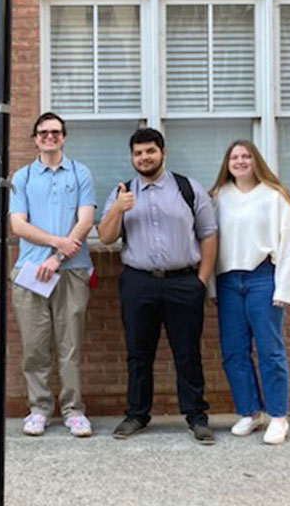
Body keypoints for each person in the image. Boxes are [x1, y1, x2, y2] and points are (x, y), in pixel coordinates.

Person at [98, 128, 218, 445]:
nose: (144, 157)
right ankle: (137, 414)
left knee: (187, 353)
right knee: (138, 353)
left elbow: (208, 234)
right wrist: (116, 209)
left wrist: (201, 280)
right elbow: (107, 237)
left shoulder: (188, 189)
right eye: (138, 153)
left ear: (163, 153)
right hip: (138, 281)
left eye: (150, 151)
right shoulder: (123, 192)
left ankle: (196, 417)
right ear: (132, 157)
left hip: (183, 281)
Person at [9, 113, 96, 437]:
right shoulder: (24, 177)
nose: (49, 137)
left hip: (71, 271)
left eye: (55, 132)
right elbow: (18, 224)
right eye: (43, 132)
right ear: (34, 138)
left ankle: (74, 411)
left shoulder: (79, 173)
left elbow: (85, 221)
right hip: (30, 272)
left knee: (70, 345)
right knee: (34, 346)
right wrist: (55, 242)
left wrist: (59, 256)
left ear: (64, 137)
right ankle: (40, 408)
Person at [210, 140, 290, 445]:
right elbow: (208, 243)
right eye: (234, 156)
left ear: (255, 160)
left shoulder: (274, 197)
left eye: (246, 156)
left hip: (263, 278)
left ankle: (278, 416)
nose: (240, 161)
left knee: (270, 350)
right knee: (234, 351)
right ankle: (250, 411)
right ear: (227, 163)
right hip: (228, 281)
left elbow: (288, 244)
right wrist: (209, 284)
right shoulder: (218, 198)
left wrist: (284, 288)